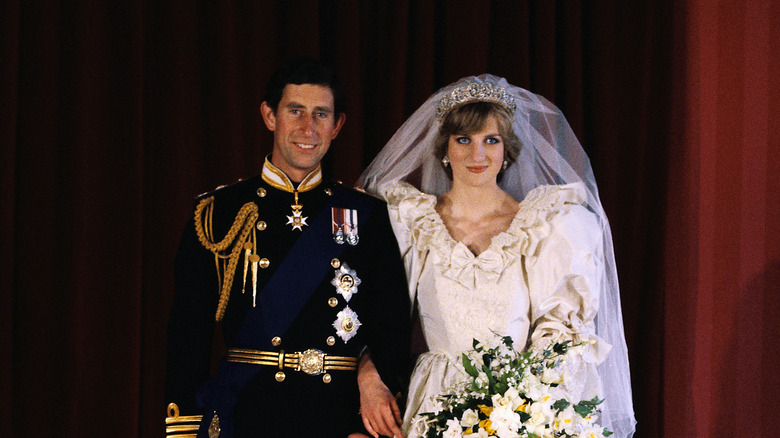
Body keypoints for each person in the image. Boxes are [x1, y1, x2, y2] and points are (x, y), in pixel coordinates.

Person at [357, 75, 636, 438]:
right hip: (434, 404)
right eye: (463, 140)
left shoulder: (548, 227)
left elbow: (561, 336)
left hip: (517, 406)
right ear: (444, 148)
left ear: (507, 150)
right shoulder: (410, 221)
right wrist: (367, 374)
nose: (478, 154)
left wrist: (528, 410)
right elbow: (369, 311)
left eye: (492, 140)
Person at [164, 57, 410, 438]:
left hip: (339, 419)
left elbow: (392, 322)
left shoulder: (365, 214)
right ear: (269, 116)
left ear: (337, 125)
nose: (307, 128)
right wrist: (185, 427)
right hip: (249, 415)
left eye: (320, 114)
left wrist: (372, 380)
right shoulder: (219, 212)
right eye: (295, 111)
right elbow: (187, 338)